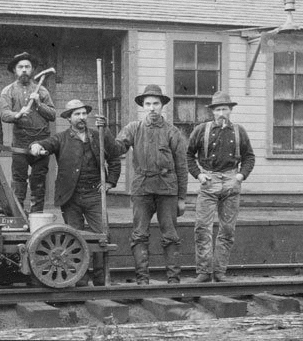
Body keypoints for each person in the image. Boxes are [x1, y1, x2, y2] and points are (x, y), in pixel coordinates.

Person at [30, 99, 121, 286]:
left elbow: (114, 158)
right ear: (69, 118)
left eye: (83, 113)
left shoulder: (99, 135)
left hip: (95, 195)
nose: (81, 117)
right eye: (77, 114)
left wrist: (110, 182)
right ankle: (80, 280)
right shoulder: (61, 138)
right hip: (70, 197)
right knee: (75, 238)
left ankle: (100, 280)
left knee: (102, 236)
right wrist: (36, 146)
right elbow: (45, 144)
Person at [103, 84, 188, 285]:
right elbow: (116, 149)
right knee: (139, 234)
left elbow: (182, 167)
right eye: (148, 104)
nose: (151, 108)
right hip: (142, 189)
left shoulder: (172, 132)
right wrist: (105, 130)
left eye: (155, 104)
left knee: (170, 235)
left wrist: (182, 198)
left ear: (162, 106)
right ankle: (142, 280)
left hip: (167, 190)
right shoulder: (134, 128)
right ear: (143, 106)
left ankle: (173, 281)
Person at [186, 91, 255, 283]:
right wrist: (199, 175)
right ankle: (204, 272)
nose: (221, 113)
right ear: (212, 112)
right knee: (202, 228)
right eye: (218, 109)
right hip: (209, 181)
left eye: (225, 109)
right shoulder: (201, 130)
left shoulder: (239, 131)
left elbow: (249, 157)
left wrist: (240, 176)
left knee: (227, 230)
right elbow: (188, 155)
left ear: (231, 110)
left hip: (232, 182)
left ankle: (220, 272)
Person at [0, 52, 55, 212]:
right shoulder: (8, 91)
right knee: (19, 180)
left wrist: (38, 104)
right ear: (15, 70)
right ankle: (18, 215)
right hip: (20, 141)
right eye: (20, 67)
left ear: (32, 70)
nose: (24, 70)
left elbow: (52, 115)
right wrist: (17, 114)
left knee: (38, 181)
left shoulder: (42, 91)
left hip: (42, 139)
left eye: (27, 67)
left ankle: (36, 216)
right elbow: (4, 114)